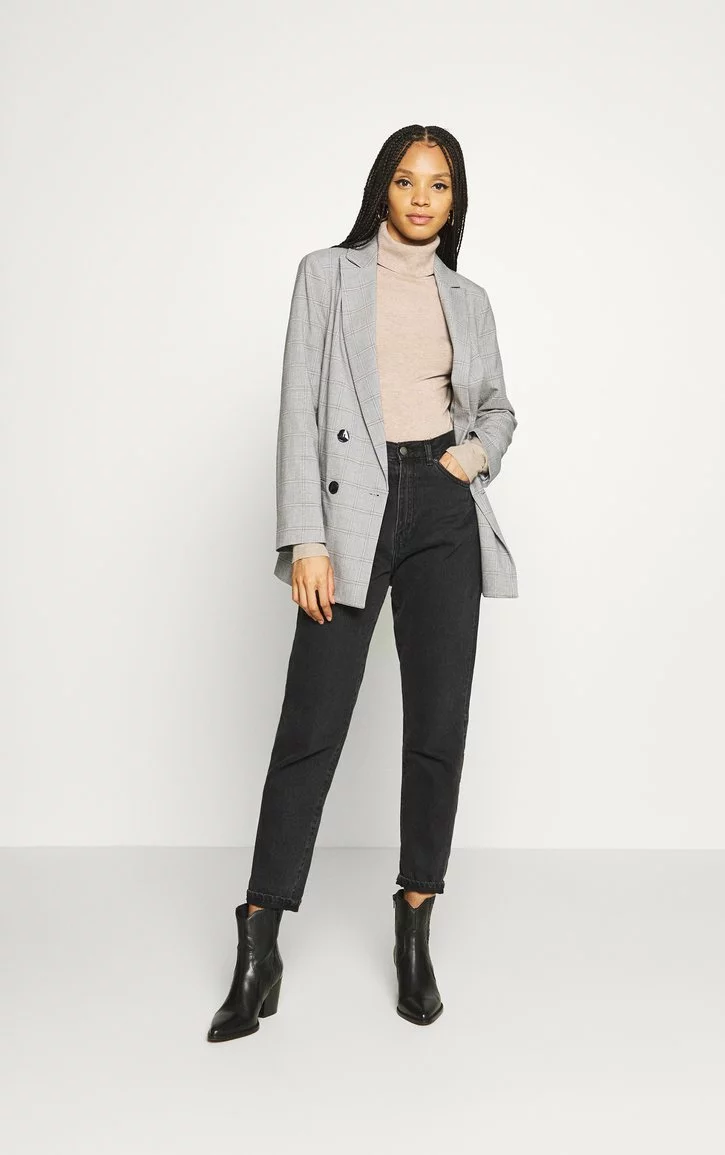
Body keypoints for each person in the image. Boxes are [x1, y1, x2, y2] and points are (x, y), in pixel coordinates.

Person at [207, 124, 518, 1042]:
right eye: (407, 180)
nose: (422, 197)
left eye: (439, 184)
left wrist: (469, 458)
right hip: (352, 512)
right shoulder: (326, 275)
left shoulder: (468, 298)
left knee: (438, 726)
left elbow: (498, 408)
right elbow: (298, 407)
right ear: (383, 188)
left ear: (455, 200)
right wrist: (306, 535)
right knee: (311, 724)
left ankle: (415, 925)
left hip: (442, 509)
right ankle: (258, 941)